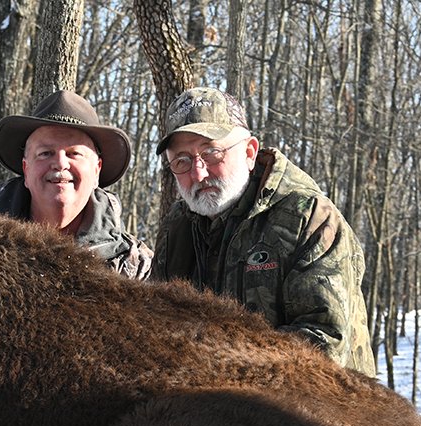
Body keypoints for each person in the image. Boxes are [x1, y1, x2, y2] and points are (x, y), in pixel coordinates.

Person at [151, 87, 376, 376]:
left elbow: (324, 343)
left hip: (321, 410)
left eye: (212, 153)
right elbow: (157, 324)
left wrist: (215, 369)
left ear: (249, 152)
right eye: (182, 161)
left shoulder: (308, 217)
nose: (198, 173)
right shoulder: (177, 226)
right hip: (206, 407)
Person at [0, 90, 154, 281]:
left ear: (97, 170)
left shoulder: (136, 266)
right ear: (26, 169)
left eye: (74, 154)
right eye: (45, 153)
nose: (60, 163)